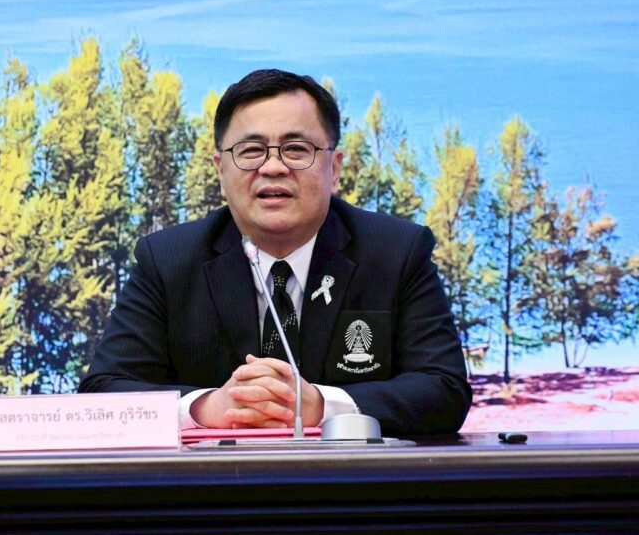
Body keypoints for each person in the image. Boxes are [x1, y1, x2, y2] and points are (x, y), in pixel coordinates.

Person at [79, 69, 472, 435]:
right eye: (251, 150)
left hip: (349, 482)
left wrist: (323, 406)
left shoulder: (396, 252)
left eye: (296, 149)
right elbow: (103, 391)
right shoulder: (167, 260)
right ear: (220, 170)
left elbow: (444, 389)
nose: (272, 167)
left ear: (334, 168)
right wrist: (205, 407)